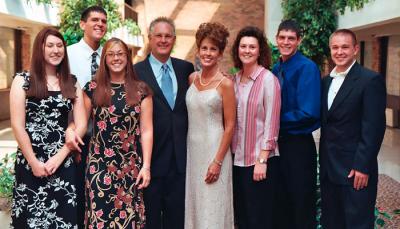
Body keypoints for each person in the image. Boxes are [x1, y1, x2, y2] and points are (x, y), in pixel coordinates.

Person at [10, 27, 86, 228]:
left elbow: (82, 123)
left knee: (63, 219)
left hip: (63, 163)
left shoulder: (72, 82)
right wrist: (34, 162)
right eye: (50, 45)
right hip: (30, 161)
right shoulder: (22, 81)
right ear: (40, 49)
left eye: (60, 45)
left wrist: (60, 156)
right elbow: (17, 126)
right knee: (30, 220)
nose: (56, 50)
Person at [82, 37, 153, 228]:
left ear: (127, 58)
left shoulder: (141, 90)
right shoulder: (92, 88)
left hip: (130, 167)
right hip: (99, 166)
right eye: (111, 54)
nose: (116, 58)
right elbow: (80, 124)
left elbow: (146, 130)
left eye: (120, 54)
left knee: (129, 219)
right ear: (104, 59)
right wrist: (71, 131)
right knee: (101, 219)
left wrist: (146, 166)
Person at [320, 29, 386, 229]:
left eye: (345, 47)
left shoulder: (370, 80)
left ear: (355, 49)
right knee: (332, 222)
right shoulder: (326, 82)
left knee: (357, 223)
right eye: (335, 47)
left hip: (354, 171)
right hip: (329, 169)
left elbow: (374, 128)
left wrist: (362, 166)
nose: (340, 52)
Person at [134, 17, 194, 229]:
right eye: (158, 35)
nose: (163, 40)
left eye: (168, 36)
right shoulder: (135, 72)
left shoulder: (186, 68)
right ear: (149, 38)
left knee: (177, 221)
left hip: (180, 161)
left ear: (174, 39)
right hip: (150, 161)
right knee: (149, 221)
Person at [185, 22, 236, 229]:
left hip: (215, 152)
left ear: (220, 53)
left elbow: (231, 125)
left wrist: (217, 161)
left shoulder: (225, 84)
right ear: (198, 50)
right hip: (193, 152)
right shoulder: (192, 79)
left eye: (213, 49)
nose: (207, 53)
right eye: (204, 48)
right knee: (196, 206)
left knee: (213, 208)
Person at [271, 19, 321, 229]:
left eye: (291, 38)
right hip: (276, 145)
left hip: (298, 146)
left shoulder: (307, 68)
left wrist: (271, 122)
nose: (286, 42)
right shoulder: (275, 68)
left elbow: (308, 112)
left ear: (299, 40)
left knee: (300, 204)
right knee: (280, 202)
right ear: (276, 39)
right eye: (282, 37)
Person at [231, 26, 281, 229]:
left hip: (258, 162)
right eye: (243, 46)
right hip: (236, 160)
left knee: (258, 218)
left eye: (252, 47)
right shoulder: (233, 80)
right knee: (241, 217)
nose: (247, 50)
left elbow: (272, 122)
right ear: (237, 50)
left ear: (260, 51)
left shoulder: (269, 80)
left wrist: (262, 160)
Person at [66, 6, 107, 227]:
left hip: (104, 139)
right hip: (73, 134)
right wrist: (70, 129)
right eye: (94, 20)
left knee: (99, 195)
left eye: (103, 20)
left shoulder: (110, 57)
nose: (100, 24)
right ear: (82, 24)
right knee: (76, 193)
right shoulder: (67, 54)